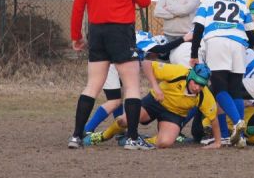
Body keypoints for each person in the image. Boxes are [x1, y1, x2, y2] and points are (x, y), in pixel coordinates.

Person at [68, 0, 151, 150]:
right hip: (120, 31)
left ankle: (76, 136)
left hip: (97, 32)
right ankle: (132, 138)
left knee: (92, 85)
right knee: (132, 86)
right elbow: (145, 0)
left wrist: (76, 36)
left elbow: (78, 7)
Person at [89, 63, 222, 149]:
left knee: (165, 142)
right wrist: (155, 86)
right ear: (190, 77)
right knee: (124, 120)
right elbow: (147, 65)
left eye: (202, 85)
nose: (197, 87)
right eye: (195, 83)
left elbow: (213, 118)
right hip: (155, 102)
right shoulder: (178, 72)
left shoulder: (204, 95)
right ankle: (102, 136)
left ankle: (142, 140)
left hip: (174, 114)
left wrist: (217, 142)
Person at [190, 0, 254, 147]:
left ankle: (236, 123)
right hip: (238, 44)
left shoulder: (209, 0)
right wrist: (247, 47)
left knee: (219, 89)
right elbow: (251, 32)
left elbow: (198, 29)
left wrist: (193, 54)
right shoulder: (241, 3)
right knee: (235, 90)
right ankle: (238, 137)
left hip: (217, 41)